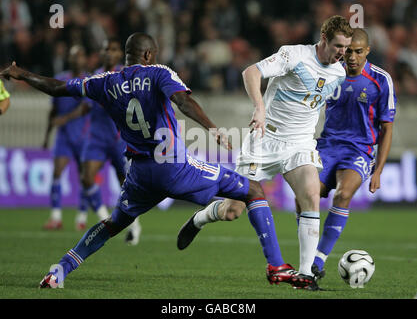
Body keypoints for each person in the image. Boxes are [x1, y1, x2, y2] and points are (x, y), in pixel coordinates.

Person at [1, 33, 307, 289]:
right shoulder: (160, 72)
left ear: (127, 55)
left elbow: (57, 88)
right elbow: (183, 100)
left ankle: (61, 270)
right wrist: (213, 129)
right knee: (253, 190)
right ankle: (277, 266)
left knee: (112, 224)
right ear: (148, 54)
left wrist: (21, 74)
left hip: (139, 174)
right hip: (175, 167)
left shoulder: (104, 81)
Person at [177, 15, 353, 290]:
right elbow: (251, 72)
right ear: (324, 40)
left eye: (346, 48)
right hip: (264, 140)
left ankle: (305, 275)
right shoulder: (294, 55)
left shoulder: (339, 72)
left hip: (300, 144)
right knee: (233, 209)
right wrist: (259, 107)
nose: (342, 53)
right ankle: (201, 217)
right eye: (338, 46)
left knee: (310, 195)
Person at [308, 28, 397, 279]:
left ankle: (317, 261)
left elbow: (387, 128)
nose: (352, 57)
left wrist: (378, 170)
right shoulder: (329, 71)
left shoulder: (381, 80)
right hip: (326, 146)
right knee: (306, 197)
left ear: (368, 51)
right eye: (348, 51)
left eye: (359, 51)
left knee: (344, 194)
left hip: (359, 150)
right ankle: (309, 255)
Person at [51, 38, 141, 244]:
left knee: (128, 186)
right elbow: (85, 105)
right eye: (106, 49)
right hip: (96, 137)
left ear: (121, 55)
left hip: (120, 139)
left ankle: (134, 226)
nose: (109, 53)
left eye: (114, 50)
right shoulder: (94, 76)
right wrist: (70, 116)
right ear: (101, 53)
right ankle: (104, 219)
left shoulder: (127, 76)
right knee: (87, 177)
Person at [42, 45, 97, 230]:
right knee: (57, 173)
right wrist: (46, 136)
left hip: (83, 135)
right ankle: (56, 217)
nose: (76, 59)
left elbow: (85, 108)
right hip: (64, 136)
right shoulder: (61, 79)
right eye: (73, 56)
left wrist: (63, 119)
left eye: (80, 55)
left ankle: (81, 218)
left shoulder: (88, 80)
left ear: (84, 59)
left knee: (85, 177)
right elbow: (54, 109)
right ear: (69, 59)